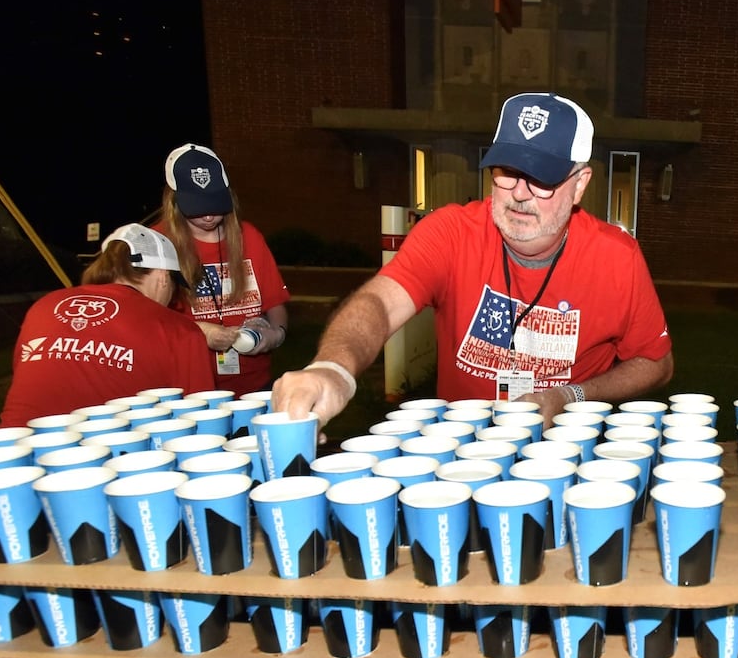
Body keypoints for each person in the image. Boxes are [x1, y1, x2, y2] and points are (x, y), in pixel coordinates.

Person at [272, 92, 673, 427]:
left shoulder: (616, 259)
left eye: (542, 178)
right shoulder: (450, 233)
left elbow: (656, 363)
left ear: (580, 184)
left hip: (567, 454)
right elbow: (377, 303)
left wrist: (572, 395)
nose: (519, 193)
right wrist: (333, 369)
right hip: (463, 460)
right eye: (507, 171)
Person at [0, 224, 214, 426]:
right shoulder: (179, 330)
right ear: (163, 276)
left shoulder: (44, 306)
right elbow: (200, 421)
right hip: (104, 455)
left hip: (9, 453)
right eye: (175, 286)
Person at [160, 143, 290, 396]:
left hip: (255, 385)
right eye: (196, 207)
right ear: (174, 200)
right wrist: (199, 332)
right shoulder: (160, 243)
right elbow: (143, 322)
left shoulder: (248, 236)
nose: (208, 216)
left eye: (215, 204)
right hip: (190, 389)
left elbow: (276, 305)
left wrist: (276, 335)